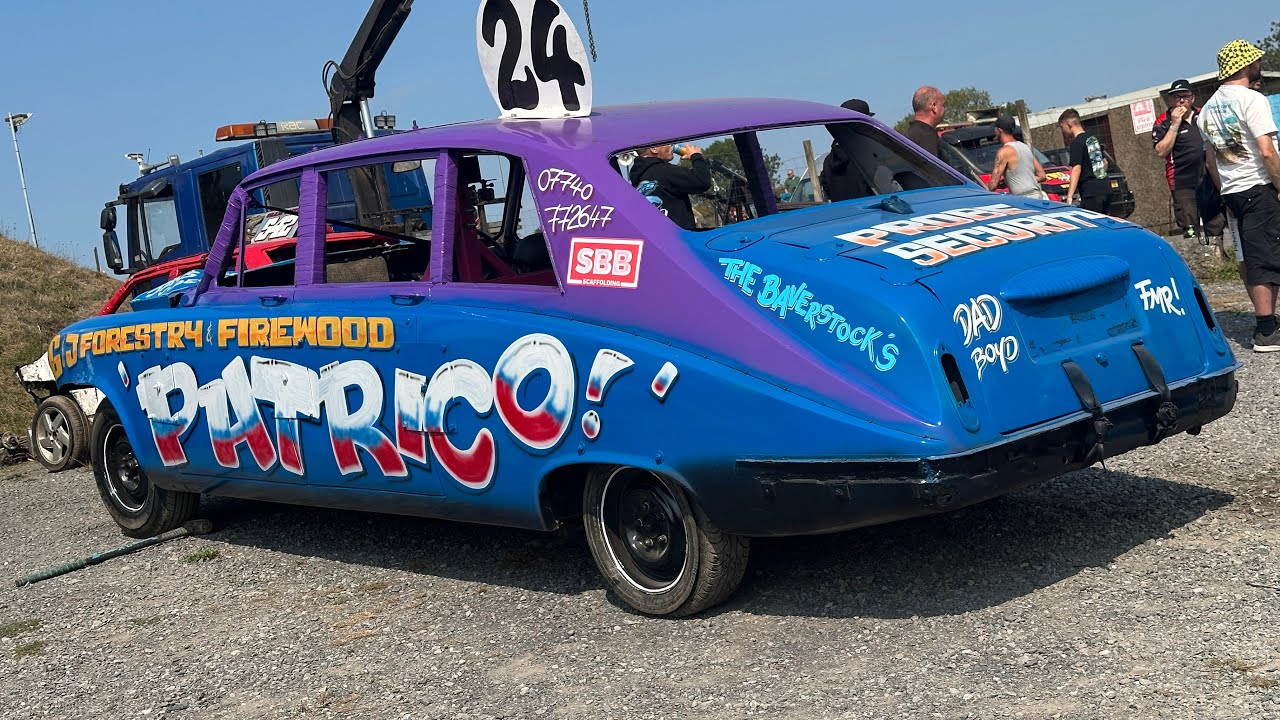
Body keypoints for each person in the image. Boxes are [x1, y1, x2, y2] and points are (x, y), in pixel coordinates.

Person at [1199, 39, 1280, 351]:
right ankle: (1266, 331)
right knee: (1264, 257)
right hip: (1258, 185)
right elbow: (1266, 150)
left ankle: (1268, 322)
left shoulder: (1206, 110)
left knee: (1250, 254)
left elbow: (1210, 161)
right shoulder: (1251, 100)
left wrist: (1225, 193)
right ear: (1247, 65)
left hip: (1232, 190)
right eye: (1255, 61)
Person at [1152, 79, 1225, 242]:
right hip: (1182, 181)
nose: (1181, 101)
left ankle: (1218, 258)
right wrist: (1174, 125)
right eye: (1176, 97)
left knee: (1215, 221)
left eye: (1185, 96)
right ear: (1171, 100)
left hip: (1208, 177)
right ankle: (1196, 259)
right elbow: (1161, 151)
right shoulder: (1163, 121)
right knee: (1190, 228)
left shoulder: (1203, 114)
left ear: (1192, 98)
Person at [629, 144, 712, 231]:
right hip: (679, 238)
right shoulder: (664, 171)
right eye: (667, 143)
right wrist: (696, 156)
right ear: (654, 149)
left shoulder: (637, 180)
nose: (672, 145)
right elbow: (702, 181)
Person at [820, 98, 875, 202]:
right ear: (861, 124)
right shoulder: (869, 156)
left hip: (844, 216)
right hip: (872, 214)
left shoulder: (828, 162)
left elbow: (827, 189)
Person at [1058, 108, 1111, 213]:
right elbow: (1105, 162)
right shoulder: (1093, 139)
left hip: (1091, 192)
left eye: (1062, 127)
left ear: (1068, 124)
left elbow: (1076, 169)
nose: (1062, 130)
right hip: (1105, 187)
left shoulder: (1076, 143)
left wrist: (1069, 196)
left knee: (1093, 224)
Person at [987, 115, 1047, 198]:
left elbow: (992, 185)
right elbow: (1042, 176)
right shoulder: (1025, 147)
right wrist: (1012, 181)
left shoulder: (1004, 151)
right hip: (1037, 195)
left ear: (999, 130)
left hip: (1023, 199)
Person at [903, 86, 945, 158]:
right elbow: (932, 168)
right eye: (943, 105)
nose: (944, 109)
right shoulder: (927, 136)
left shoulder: (910, 134)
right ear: (934, 106)